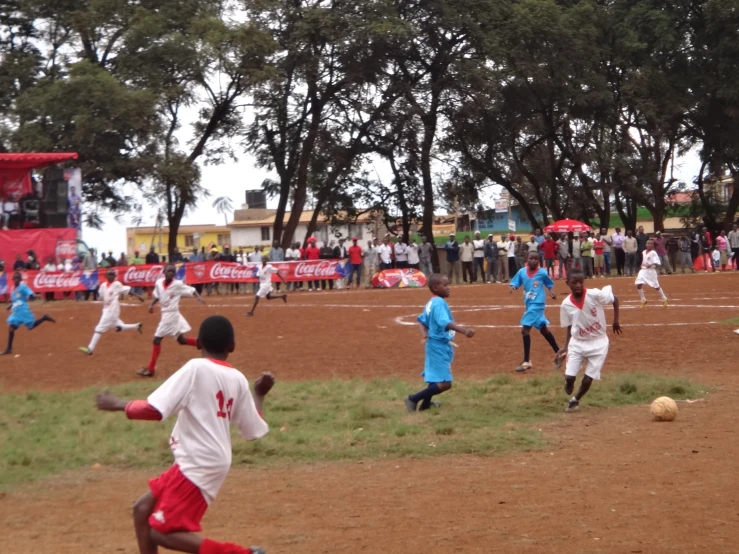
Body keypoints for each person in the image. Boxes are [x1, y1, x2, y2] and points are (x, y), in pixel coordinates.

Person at [95, 315, 272, 554]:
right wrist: (259, 394)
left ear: (198, 343)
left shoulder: (196, 368)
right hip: (201, 459)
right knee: (142, 509)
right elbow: (254, 430)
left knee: (162, 531)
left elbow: (154, 410)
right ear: (232, 347)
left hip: (199, 461)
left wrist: (118, 404)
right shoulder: (238, 379)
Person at [404, 274, 474, 413]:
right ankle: (413, 399)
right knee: (445, 383)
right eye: (445, 285)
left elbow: (421, 321)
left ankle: (425, 405)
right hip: (438, 345)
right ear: (435, 288)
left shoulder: (431, 302)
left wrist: (425, 336)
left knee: (435, 377)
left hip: (433, 344)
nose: (449, 288)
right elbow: (444, 323)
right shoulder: (439, 304)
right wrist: (464, 330)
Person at [556, 268, 622, 413]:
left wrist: (615, 321)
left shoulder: (594, 294)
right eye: (574, 282)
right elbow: (568, 326)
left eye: (581, 282)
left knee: (587, 379)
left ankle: (575, 400)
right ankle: (568, 382)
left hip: (599, 343)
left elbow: (614, 299)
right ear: (568, 283)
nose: (578, 285)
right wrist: (565, 346)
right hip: (577, 343)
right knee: (570, 377)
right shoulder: (566, 304)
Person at [137, 264, 206, 377]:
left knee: (157, 340)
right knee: (181, 340)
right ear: (164, 271)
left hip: (171, 316)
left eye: (173, 271)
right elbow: (158, 296)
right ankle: (203, 343)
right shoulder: (159, 283)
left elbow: (191, 289)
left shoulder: (177, 284)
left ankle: (150, 369)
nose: (171, 273)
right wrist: (151, 305)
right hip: (167, 315)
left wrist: (198, 296)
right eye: (169, 271)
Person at [509, 251, 561, 373]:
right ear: (527, 259)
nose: (533, 260)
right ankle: (560, 353)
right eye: (531, 258)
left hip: (537, 305)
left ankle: (526, 361)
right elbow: (516, 282)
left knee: (524, 330)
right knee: (543, 330)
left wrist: (552, 291)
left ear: (539, 261)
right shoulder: (522, 272)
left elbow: (549, 284)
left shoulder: (542, 272)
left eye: (536, 259)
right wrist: (514, 286)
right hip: (529, 304)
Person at [79, 269, 145, 355]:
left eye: (112, 275)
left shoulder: (117, 285)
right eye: (109, 275)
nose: (111, 276)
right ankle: (137, 326)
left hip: (112, 310)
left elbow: (128, 291)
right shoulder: (102, 286)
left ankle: (90, 348)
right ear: (106, 276)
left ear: (115, 276)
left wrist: (138, 296)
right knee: (117, 327)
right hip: (106, 309)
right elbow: (101, 296)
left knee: (99, 328)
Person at [1, 272, 55, 355]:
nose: (16, 280)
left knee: (30, 327)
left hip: (23, 311)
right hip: (16, 312)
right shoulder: (12, 289)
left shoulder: (23, 287)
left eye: (18, 278)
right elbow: (15, 300)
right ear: (13, 280)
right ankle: (9, 348)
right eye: (15, 278)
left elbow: (31, 295)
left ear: (20, 279)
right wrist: (10, 306)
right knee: (11, 327)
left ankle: (44, 318)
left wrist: (32, 296)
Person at [635, 239, 668, 308]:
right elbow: (644, 260)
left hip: (651, 271)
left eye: (650, 243)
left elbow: (657, 262)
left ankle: (664, 298)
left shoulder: (653, 252)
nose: (649, 244)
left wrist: (651, 265)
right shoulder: (643, 252)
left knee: (656, 286)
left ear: (653, 245)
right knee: (638, 284)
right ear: (646, 244)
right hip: (643, 271)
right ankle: (643, 299)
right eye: (648, 243)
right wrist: (642, 264)